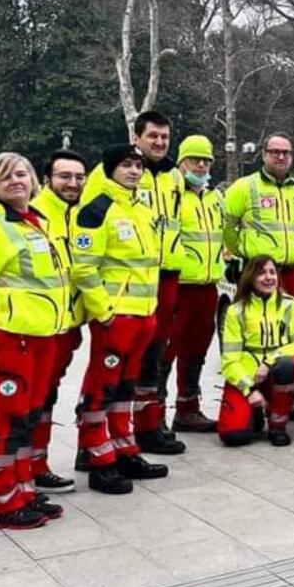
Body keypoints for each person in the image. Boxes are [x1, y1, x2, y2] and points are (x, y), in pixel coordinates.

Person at [0, 153, 69, 528]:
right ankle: (2, 501)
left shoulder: (36, 221)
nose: (15, 180)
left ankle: (23, 488)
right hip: (5, 338)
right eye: (5, 176)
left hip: (40, 336)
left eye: (21, 173)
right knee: (9, 419)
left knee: (27, 417)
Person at [82, 111, 186, 458]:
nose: (159, 142)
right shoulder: (104, 175)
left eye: (164, 137)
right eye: (152, 136)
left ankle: (146, 427)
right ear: (137, 136)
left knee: (152, 359)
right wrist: (104, 308)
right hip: (120, 295)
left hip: (161, 279)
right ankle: (92, 443)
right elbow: (90, 233)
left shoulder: (174, 176)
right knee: (108, 367)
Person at [72, 145, 170, 494]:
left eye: (138, 166)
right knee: (104, 386)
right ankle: (98, 458)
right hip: (115, 319)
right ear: (110, 169)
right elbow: (84, 268)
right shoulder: (97, 209)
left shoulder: (141, 208)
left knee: (126, 386)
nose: (133, 171)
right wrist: (105, 312)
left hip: (143, 317)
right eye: (126, 165)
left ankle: (123, 448)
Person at [222, 133, 294, 421]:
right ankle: (250, 390)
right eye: (275, 152)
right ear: (263, 154)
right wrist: (241, 254)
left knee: (287, 334)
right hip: (257, 269)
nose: (281, 157)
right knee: (252, 331)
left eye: (286, 152)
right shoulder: (244, 187)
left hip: (291, 270)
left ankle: (284, 400)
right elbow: (227, 224)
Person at [29, 150, 89, 495]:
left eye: (79, 176)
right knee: (34, 398)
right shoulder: (33, 216)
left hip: (68, 326)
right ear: (47, 179)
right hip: (37, 327)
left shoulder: (80, 215)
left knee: (47, 395)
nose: (73, 183)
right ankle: (30, 467)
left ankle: (38, 463)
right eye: (65, 176)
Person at [156, 135, 223, 433]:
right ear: (181, 163)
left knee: (197, 350)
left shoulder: (214, 198)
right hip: (178, 285)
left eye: (206, 160)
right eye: (194, 159)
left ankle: (188, 409)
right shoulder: (171, 195)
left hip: (208, 286)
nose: (201, 164)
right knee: (165, 351)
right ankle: (153, 414)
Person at [218, 256, 294, 447]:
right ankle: (255, 413)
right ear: (250, 277)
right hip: (247, 374)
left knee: (290, 364)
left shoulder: (291, 305)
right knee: (233, 436)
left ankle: (278, 425)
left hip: (275, 370)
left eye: (272, 272)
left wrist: (268, 362)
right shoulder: (236, 310)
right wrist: (249, 390)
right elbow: (229, 361)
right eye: (261, 273)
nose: (268, 278)